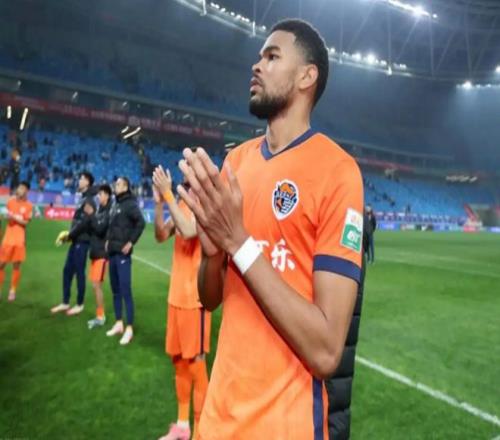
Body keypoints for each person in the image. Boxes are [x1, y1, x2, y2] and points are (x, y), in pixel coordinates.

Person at [177, 19, 364, 439]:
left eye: (272, 56)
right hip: (217, 420)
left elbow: (326, 351)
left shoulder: (337, 172)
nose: (256, 65)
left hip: (285, 426)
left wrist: (238, 242)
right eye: (260, 56)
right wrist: (212, 254)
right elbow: (210, 299)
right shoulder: (236, 163)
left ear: (306, 77)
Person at [152, 166, 211, 440]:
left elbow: (188, 231)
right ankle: (182, 426)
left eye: (189, 181)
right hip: (175, 296)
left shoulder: (206, 207)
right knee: (178, 361)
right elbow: (160, 235)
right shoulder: (182, 206)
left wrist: (167, 194)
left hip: (195, 299)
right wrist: (158, 204)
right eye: (184, 182)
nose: (185, 185)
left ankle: (201, 432)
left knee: (197, 364)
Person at [105, 177, 145, 345]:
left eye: (118, 184)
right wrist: (108, 240)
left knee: (125, 290)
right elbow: (112, 226)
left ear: (125, 187)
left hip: (122, 254)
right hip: (112, 253)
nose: (116, 186)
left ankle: (129, 328)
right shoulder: (116, 204)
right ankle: (119, 323)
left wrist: (131, 242)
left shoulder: (130, 204)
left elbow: (141, 223)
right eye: (116, 184)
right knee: (115, 291)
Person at [51, 171, 96, 316]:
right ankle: (65, 302)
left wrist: (70, 235)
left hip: (82, 242)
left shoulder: (89, 200)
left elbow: (85, 222)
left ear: (87, 182)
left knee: (79, 272)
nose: (79, 181)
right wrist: (71, 236)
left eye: (82, 179)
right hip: (76, 240)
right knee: (67, 271)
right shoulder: (83, 199)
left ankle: (79, 304)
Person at [0, 181, 33, 301]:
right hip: (8, 238)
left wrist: (14, 217)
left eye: (22, 188)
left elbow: (26, 222)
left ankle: (12, 290)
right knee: (1, 264)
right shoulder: (10, 202)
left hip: (19, 239)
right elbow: (6, 217)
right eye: (19, 188)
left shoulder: (29, 205)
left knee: (16, 266)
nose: (19, 190)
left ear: (26, 191)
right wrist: (7, 216)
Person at [87, 184, 112, 329]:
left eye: (101, 194)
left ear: (107, 195)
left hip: (102, 254)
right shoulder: (100, 210)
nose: (98, 196)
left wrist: (91, 215)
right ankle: (99, 315)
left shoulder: (108, 212)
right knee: (95, 285)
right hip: (95, 252)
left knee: (97, 285)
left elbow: (100, 229)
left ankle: (101, 316)